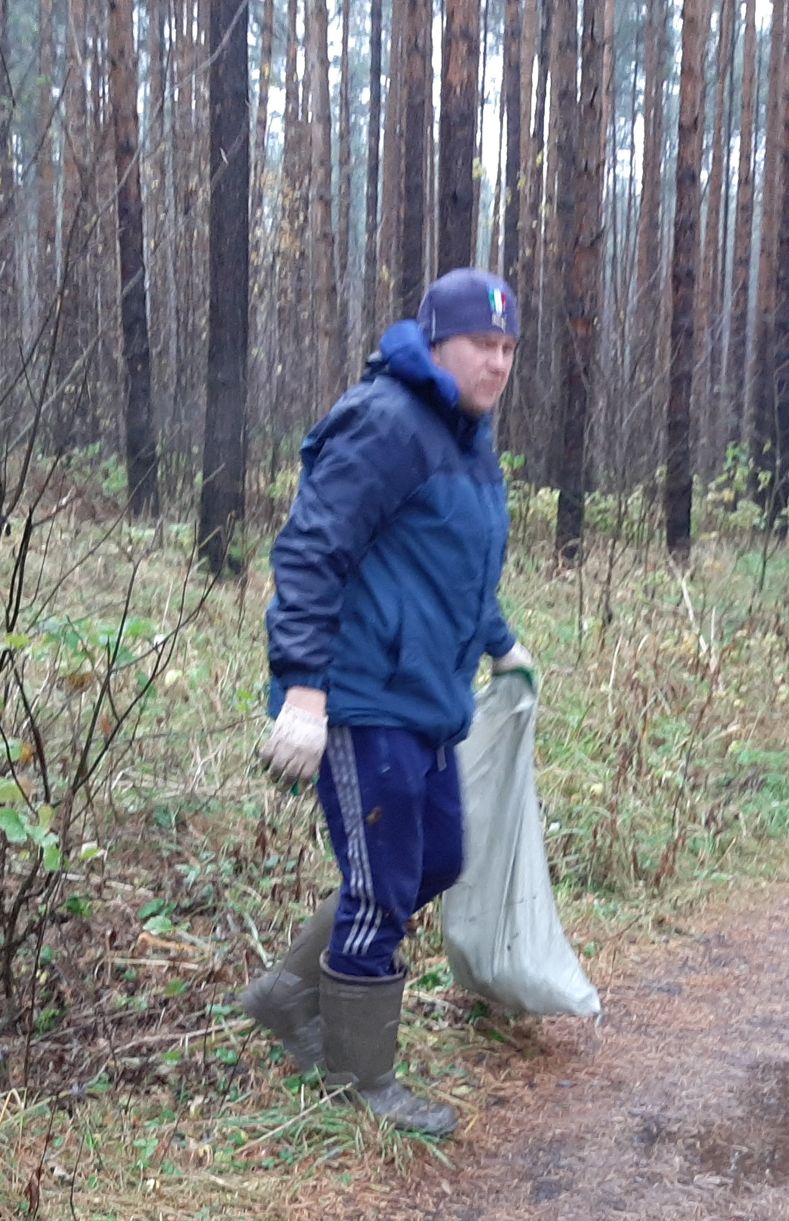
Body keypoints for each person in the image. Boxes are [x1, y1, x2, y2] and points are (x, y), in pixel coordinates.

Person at [239, 269, 535, 1137]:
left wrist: (501, 642)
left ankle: (287, 993)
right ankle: (360, 1078)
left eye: (508, 347)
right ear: (436, 342)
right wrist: (304, 691)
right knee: (383, 884)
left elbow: (455, 563)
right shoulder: (385, 422)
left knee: (435, 858)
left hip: (426, 697)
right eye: (481, 344)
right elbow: (310, 551)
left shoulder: (466, 437)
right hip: (360, 695)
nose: (497, 362)